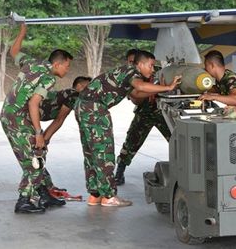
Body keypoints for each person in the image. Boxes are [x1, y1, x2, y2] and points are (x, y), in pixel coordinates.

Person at [75, 50, 181, 207]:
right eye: (151, 66)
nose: (152, 70)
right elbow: (140, 86)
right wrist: (167, 88)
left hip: (83, 106)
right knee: (104, 152)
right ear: (140, 64)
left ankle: (95, 194)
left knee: (91, 152)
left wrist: (159, 89)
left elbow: (137, 94)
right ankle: (109, 196)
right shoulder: (131, 71)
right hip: (95, 110)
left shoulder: (124, 74)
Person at [0, 23, 73, 214]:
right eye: (67, 65)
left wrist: (22, 31)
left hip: (7, 115)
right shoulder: (48, 78)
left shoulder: (31, 62)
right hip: (19, 118)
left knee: (35, 156)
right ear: (57, 64)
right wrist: (39, 133)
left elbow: (14, 50)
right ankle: (24, 200)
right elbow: (33, 103)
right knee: (35, 156)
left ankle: (42, 192)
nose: (67, 70)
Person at [115, 49, 171, 185]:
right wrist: (156, 89)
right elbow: (136, 99)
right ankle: (119, 173)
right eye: (130, 62)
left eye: (134, 62)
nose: (132, 65)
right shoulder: (129, 77)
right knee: (131, 143)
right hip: (143, 113)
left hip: (162, 112)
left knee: (177, 140)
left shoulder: (158, 71)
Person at [36, 76, 91, 204]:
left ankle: (48, 187)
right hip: (26, 117)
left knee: (39, 153)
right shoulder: (73, 95)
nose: (90, 90)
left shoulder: (70, 95)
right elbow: (59, 120)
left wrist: (44, 139)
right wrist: (45, 139)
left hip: (32, 118)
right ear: (79, 86)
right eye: (87, 87)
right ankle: (42, 190)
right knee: (37, 153)